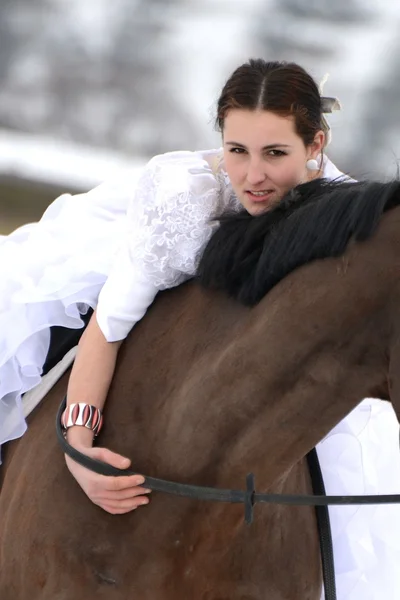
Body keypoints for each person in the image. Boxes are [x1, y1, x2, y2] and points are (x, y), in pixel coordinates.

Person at [1, 59, 400, 599]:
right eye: (238, 151)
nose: (254, 176)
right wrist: (78, 442)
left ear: (315, 147)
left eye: (275, 153)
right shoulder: (184, 202)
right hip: (138, 252)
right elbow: (108, 327)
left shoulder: (340, 206)